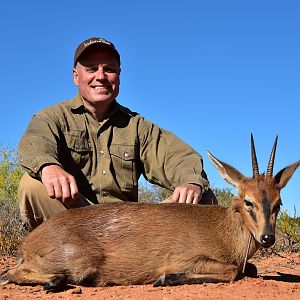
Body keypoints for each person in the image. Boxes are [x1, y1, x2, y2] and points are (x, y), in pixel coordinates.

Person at [18, 37, 217, 231]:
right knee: (31, 186)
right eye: (91, 68)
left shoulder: (138, 126)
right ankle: (55, 259)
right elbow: (36, 140)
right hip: (74, 223)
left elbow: (178, 157)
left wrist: (190, 182)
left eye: (109, 69)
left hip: (127, 228)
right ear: (76, 76)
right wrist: (48, 167)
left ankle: (161, 262)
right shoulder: (53, 116)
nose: (101, 76)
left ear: (119, 76)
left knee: (202, 196)